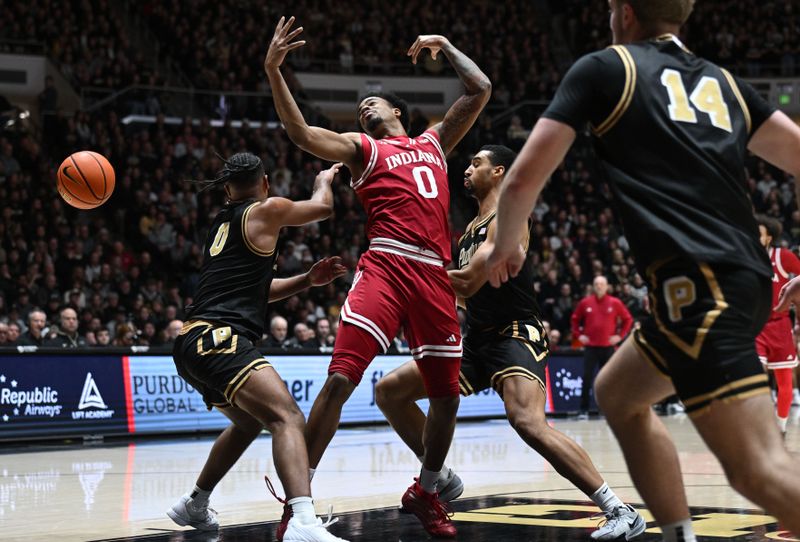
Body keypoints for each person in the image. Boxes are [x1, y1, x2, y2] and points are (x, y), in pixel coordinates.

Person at [487, 0, 800, 539]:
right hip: (730, 280)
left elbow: (520, 180)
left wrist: (503, 247)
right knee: (619, 393)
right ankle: (679, 534)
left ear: (626, 13)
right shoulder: (724, 83)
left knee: (757, 469)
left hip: (701, 287)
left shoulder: (607, 67)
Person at [265, 16, 490, 539]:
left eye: (374, 102)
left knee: (447, 396)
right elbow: (301, 134)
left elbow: (480, 89)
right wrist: (275, 71)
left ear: (397, 112)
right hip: (386, 266)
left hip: (434, 273)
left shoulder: (434, 143)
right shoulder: (362, 149)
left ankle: (427, 490)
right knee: (340, 379)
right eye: (361, 106)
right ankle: (298, 505)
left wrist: (446, 43)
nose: (365, 107)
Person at [375, 145, 645, 541]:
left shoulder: (509, 216)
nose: (467, 169)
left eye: (477, 163)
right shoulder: (468, 231)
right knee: (390, 391)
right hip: (477, 338)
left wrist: (407, 270)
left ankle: (619, 510)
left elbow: (468, 281)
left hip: (515, 331)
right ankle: (440, 477)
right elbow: (462, 295)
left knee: (527, 422)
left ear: (499, 171)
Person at [167, 153, 348, 542]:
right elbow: (323, 208)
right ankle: (302, 521)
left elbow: (257, 291)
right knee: (288, 417)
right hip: (218, 338)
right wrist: (323, 181)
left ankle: (194, 502)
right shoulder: (267, 209)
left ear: (227, 188)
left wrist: (307, 280)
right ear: (265, 182)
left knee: (250, 421)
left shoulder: (222, 223)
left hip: (191, 342)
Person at [755, 215, 800, 437]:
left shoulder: (782, 256)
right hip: (755, 327)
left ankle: (780, 429)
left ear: (768, 238)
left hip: (780, 325)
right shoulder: (744, 257)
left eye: (758, 234)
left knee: (784, 383)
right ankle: (757, 426)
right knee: (753, 376)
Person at [571, 275, 633, 418]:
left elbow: (628, 319)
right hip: (591, 348)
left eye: (601, 284)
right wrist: (579, 336)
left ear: (606, 287)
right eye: (596, 284)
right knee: (587, 378)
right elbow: (575, 320)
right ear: (593, 286)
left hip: (607, 347)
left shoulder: (615, 302)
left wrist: (619, 336)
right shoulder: (585, 302)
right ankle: (584, 409)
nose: (599, 286)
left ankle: (607, 409)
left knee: (608, 380)